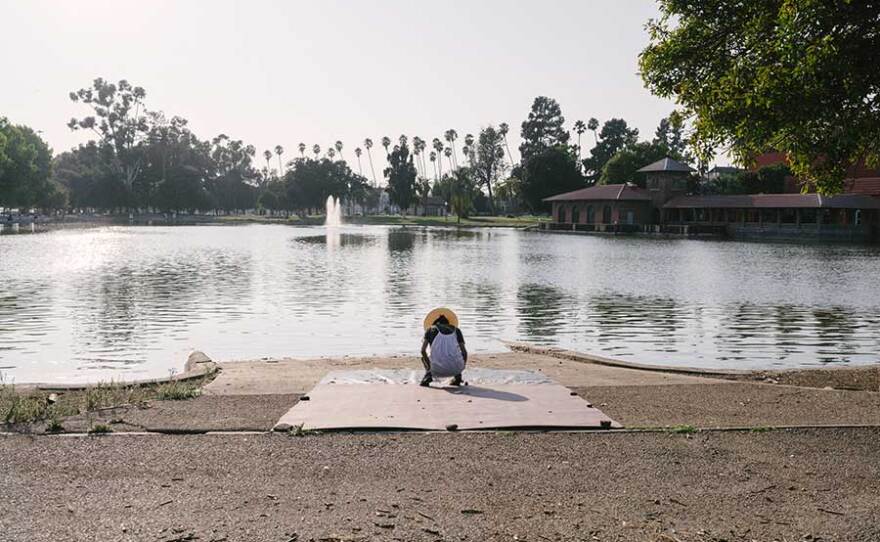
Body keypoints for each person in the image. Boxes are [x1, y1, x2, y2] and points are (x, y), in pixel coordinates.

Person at [420, 307, 467, 387]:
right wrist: (462, 367)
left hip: (436, 369)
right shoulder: (457, 330)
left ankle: (428, 375)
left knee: (423, 357)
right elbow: (464, 352)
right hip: (457, 368)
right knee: (455, 354)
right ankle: (458, 377)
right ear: (448, 323)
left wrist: (430, 368)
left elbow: (423, 351)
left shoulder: (430, 330)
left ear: (435, 323)